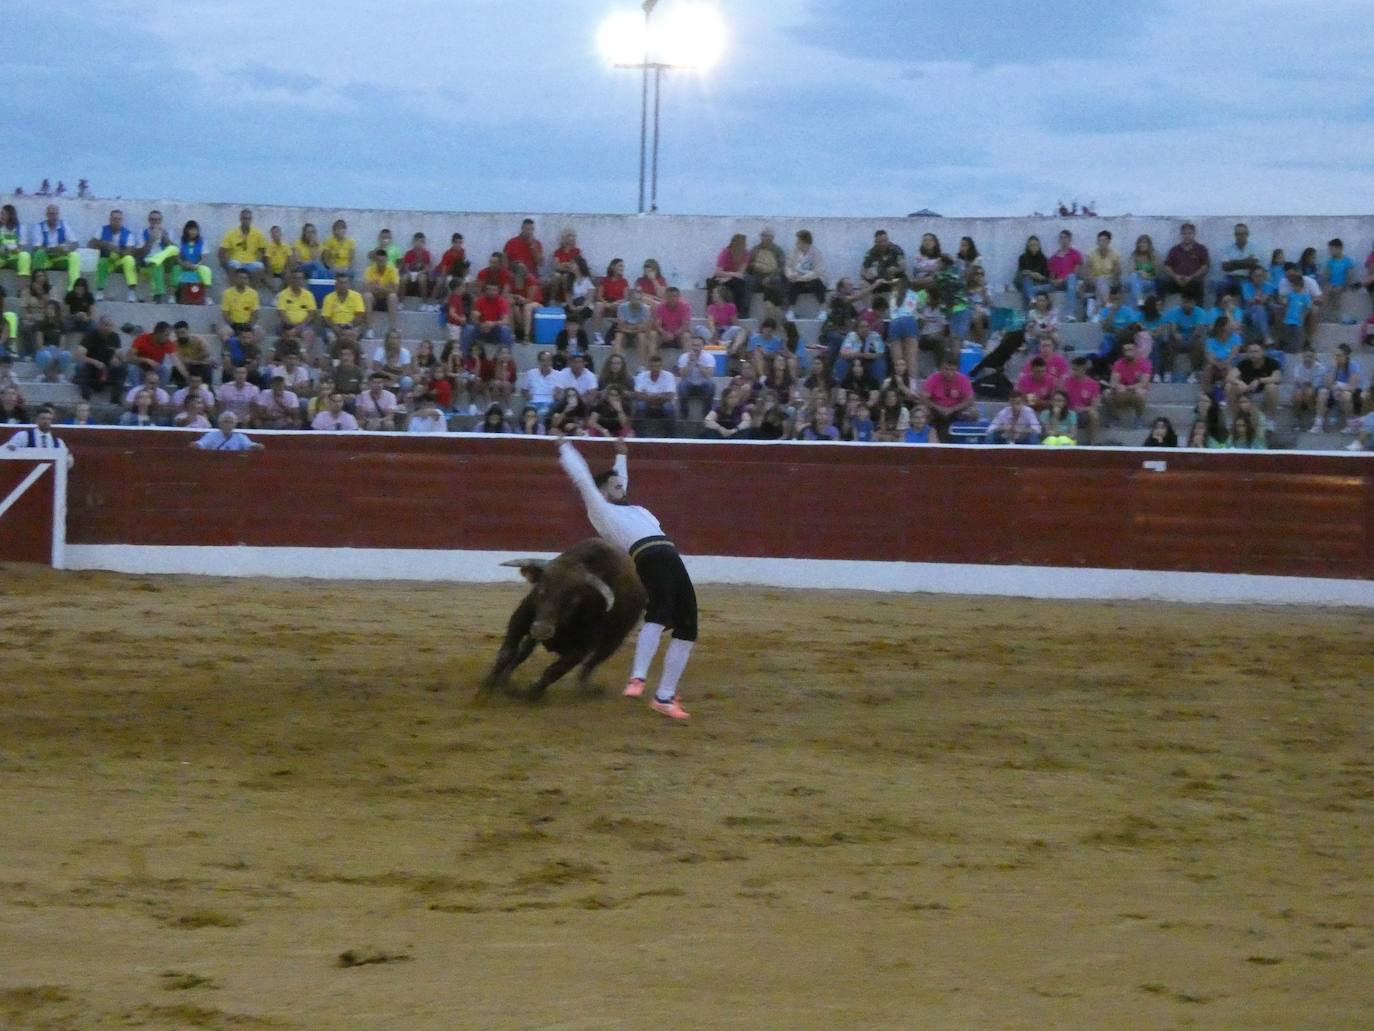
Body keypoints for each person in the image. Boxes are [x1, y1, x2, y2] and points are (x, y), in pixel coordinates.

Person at [557, 436, 696, 719]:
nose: (623, 487)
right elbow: (584, 479)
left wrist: (621, 455)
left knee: (689, 627)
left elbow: (621, 481)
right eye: (616, 486)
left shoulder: (632, 508)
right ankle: (638, 677)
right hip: (649, 556)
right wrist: (565, 448)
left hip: (670, 557)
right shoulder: (601, 510)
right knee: (658, 612)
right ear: (603, 492)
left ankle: (665, 697)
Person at [920, 356, 978, 441]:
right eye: (946, 369)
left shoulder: (963, 379)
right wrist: (939, 408)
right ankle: (923, 437)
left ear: (957, 369)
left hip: (957, 409)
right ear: (940, 368)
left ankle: (968, 438)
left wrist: (952, 409)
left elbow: (970, 400)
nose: (949, 372)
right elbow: (923, 398)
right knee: (921, 412)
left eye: (952, 370)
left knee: (973, 413)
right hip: (935, 409)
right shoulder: (933, 378)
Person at [89, 209, 140, 301]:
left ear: (122, 220)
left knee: (129, 259)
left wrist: (117, 251)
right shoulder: (102, 229)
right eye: (114, 219)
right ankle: (100, 291)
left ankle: (131, 293)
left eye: (119, 219)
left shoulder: (128, 233)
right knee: (102, 261)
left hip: (120, 262)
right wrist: (106, 245)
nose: (116, 221)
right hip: (108, 261)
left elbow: (130, 251)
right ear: (110, 219)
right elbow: (91, 244)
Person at [25, 204, 81, 287]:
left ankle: (73, 287)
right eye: (51, 214)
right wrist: (55, 249)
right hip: (46, 260)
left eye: (56, 214)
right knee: (39, 253)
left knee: (74, 256)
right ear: (47, 215)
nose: (54, 217)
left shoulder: (63, 225)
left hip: (59, 258)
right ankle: (35, 285)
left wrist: (68, 248)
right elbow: (36, 248)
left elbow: (76, 243)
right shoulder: (39, 227)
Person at [4, 404, 74, 468]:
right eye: (43, 418)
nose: (46, 421)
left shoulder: (58, 442)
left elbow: (69, 460)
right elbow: (9, 449)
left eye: (49, 419)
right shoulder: (24, 436)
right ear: (37, 419)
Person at [1226, 341, 1281, 420]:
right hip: (1247, 391)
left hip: (1264, 393)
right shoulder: (1244, 363)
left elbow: (1277, 378)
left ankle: (1270, 420)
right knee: (1229, 386)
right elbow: (1229, 377)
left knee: (1272, 387)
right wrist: (1239, 382)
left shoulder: (1272, 363)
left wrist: (1259, 380)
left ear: (1263, 352)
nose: (1253, 354)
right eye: (1250, 352)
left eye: (1256, 351)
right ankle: (1234, 418)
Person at [136, 210, 181, 303]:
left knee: (177, 265)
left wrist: (164, 237)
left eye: (158, 220)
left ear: (161, 220)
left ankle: (172, 295)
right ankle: (158, 294)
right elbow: (141, 254)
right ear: (149, 220)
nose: (155, 222)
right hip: (149, 261)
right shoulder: (142, 233)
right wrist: (151, 239)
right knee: (157, 264)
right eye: (153, 220)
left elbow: (175, 251)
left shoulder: (169, 232)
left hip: (165, 259)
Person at [1108, 337, 1152, 428]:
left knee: (1141, 391)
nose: (1128, 352)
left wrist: (1128, 387)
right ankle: (1116, 419)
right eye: (1125, 350)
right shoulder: (1118, 364)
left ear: (1136, 349)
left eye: (1130, 349)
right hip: (1122, 394)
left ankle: (1138, 419)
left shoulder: (1145, 363)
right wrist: (1118, 386)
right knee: (1107, 393)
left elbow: (1144, 383)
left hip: (1135, 392)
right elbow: (1113, 382)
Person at [1160, 222, 1210, 303]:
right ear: (1181, 235)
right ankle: (1158, 309)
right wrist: (1175, 276)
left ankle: (1200, 313)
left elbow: (1205, 267)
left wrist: (1191, 277)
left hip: (1193, 282)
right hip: (1176, 281)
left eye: (1189, 233)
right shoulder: (1175, 250)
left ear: (1194, 234)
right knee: (1160, 282)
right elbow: (1166, 266)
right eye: (1184, 233)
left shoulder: (1201, 249)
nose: (1187, 236)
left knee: (1199, 285)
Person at [217, 208, 268, 286]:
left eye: (248, 219)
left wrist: (263, 262)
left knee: (260, 266)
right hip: (237, 262)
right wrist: (225, 266)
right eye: (244, 218)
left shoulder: (257, 234)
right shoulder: (231, 233)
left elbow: (264, 252)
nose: (246, 221)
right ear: (240, 219)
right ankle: (235, 291)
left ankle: (252, 292)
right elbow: (221, 252)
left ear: (251, 220)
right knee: (234, 264)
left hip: (251, 263)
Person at [785, 229, 827, 312]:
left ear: (804, 241)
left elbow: (818, 271)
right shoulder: (794, 251)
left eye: (798, 240)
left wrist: (802, 277)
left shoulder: (816, 253)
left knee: (817, 283)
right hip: (798, 281)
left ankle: (822, 309)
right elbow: (788, 266)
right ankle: (791, 310)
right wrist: (790, 275)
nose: (796, 243)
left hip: (811, 281)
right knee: (791, 284)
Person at [1290, 345, 1328, 433]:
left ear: (1315, 357)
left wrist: (1304, 383)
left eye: (1310, 356)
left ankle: (1316, 420)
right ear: (1302, 357)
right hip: (1301, 392)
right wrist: (1305, 383)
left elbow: (1315, 386)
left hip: (1315, 394)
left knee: (1309, 392)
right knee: (1298, 394)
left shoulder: (1320, 368)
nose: (1307, 359)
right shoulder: (1298, 368)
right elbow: (1297, 383)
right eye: (1305, 356)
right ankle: (1296, 418)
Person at [363, 248, 400, 337]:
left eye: (383, 260)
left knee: (393, 296)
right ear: (375, 260)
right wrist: (386, 288)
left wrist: (379, 287)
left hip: (387, 301)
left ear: (387, 259)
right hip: (374, 300)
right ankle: (370, 329)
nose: (381, 263)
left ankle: (392, 329)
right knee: (367, 295)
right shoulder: (369, 270)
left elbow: (395, 290)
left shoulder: (393, 270)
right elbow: (366, 288)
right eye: (379, 261)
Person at [1047, 230, 1083, 319]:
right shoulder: (1054, 257)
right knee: (1035, 289)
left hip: (1070, 282)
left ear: (1070, 239)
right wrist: (1054, 281)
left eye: (1065, 237)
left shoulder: (1075, 254)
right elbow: (1051, 276)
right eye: (1061, 237)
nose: (1063, 240)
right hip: (1057, 284)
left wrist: (1063, 279)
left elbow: (1076, 273)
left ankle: (1070, 314)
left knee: (1071, 277)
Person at [631, 354, 677, 423]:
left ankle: (670, 433)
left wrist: (647, 396)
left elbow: (670, 396)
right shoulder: (641, 376)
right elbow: (637, 395)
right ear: (649, 366)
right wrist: (659, 396)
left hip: (662, 403)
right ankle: (638, 432)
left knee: (668, 408)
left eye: (658, 366)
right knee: (640, 406)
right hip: (646, 403)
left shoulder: (669, 376)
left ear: (662, 366)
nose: (655, 369)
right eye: (653, 366)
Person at [193, 411, 263, 451]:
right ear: (220, 423)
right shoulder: (211, 435)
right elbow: (201, 444)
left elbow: (249, 445)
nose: (228, 424)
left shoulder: (240, 437)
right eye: (225, 422)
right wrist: (196, 444)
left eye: (231, 422)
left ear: (235, 425)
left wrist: (256, 446)